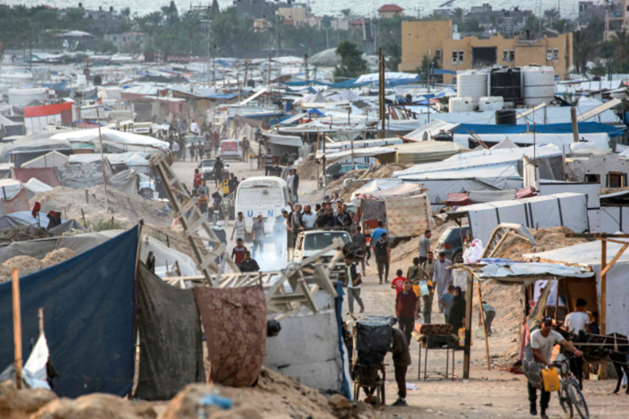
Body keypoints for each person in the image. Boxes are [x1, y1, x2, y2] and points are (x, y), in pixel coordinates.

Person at [527, 317, 583, 419]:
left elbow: (565, 343)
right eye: (546, 324)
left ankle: (543, 410)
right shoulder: (535, 334)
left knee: (547, 387)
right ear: (541, 325)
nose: (548, 327)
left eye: (550, 325)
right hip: (535, 363)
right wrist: (545, 362)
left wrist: (575, 351)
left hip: (547, 362)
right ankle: (532, 403)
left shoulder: (554, 334)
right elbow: (536, 352)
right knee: (532, 384)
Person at [563, 298, 589, 389]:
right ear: (581, 306)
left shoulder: (568, 316)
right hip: (581, 339)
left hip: (571, 340)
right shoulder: (585, 315)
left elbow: (566, 330)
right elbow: (587, 329)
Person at [389, 327, 411, 407]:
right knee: (401, 378)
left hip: (401, 360)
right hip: (404, 359)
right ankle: (401, 397)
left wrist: (388, 349)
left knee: (400, 379)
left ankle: (402, 398)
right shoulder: (398, 331)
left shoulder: (396, 335)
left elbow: (398, 349)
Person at [396, 281, 418, 345]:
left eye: (408, 286)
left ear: (410, 286)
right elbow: (396, 303)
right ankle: (401, 344)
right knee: (401, 330)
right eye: (405, 286)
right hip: (401, 314)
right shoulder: (399, 293)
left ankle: (407, 344)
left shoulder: (412, 293)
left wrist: (416, 311)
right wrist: (396, 313)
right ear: (403, 286)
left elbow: (417, 303)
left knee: (409, 331)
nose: (406, 288)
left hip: (410, 315)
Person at [421, 251, 436, 322]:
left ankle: (428, 317)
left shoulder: (435, 263)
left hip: (432, 284)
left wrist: (432, 274)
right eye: (428, 255)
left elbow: (437, 272)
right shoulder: (424, 264)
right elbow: (422, 274)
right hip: (425, 284)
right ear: (427, 256)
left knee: (430, 299)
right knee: (425, 300)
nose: (430, 257)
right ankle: (425, 318)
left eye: (431, 255)